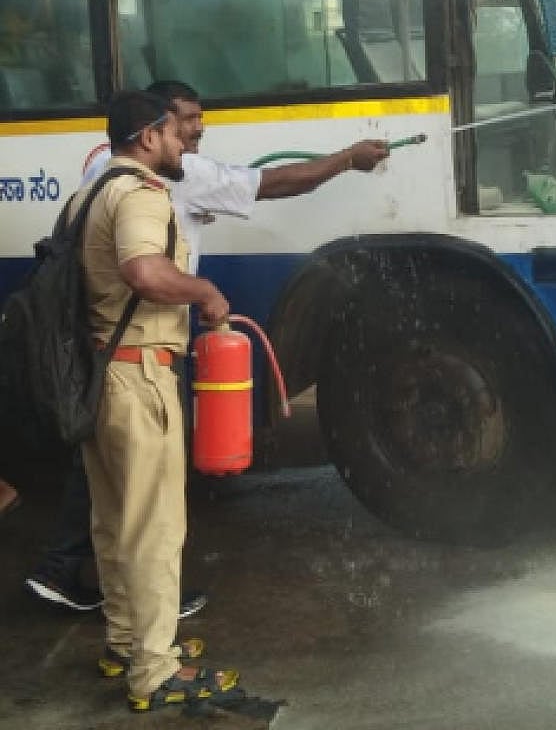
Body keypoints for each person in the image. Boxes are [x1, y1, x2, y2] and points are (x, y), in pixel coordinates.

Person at [26, 80, 389, 611]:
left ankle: (76, 579)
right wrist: (347, 159)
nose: (194, 132)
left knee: (106, 473)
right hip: (140, 351)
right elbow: (276, 183)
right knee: (151, 496)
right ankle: (150, 626)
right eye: (183, 123)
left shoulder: (102, 171)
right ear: (152, 131)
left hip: (98, 344)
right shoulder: (166, 179)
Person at [74, 90, 238, 711]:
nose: (183, 144)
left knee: (115, 521)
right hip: (137, 376)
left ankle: (126, 642)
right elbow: (144, 272)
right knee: (155, 527)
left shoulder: (89, 192)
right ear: (148, 137)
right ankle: (155, 670)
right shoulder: (140, 193)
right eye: (174, 134)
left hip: (99, 376)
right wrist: (204, 291)